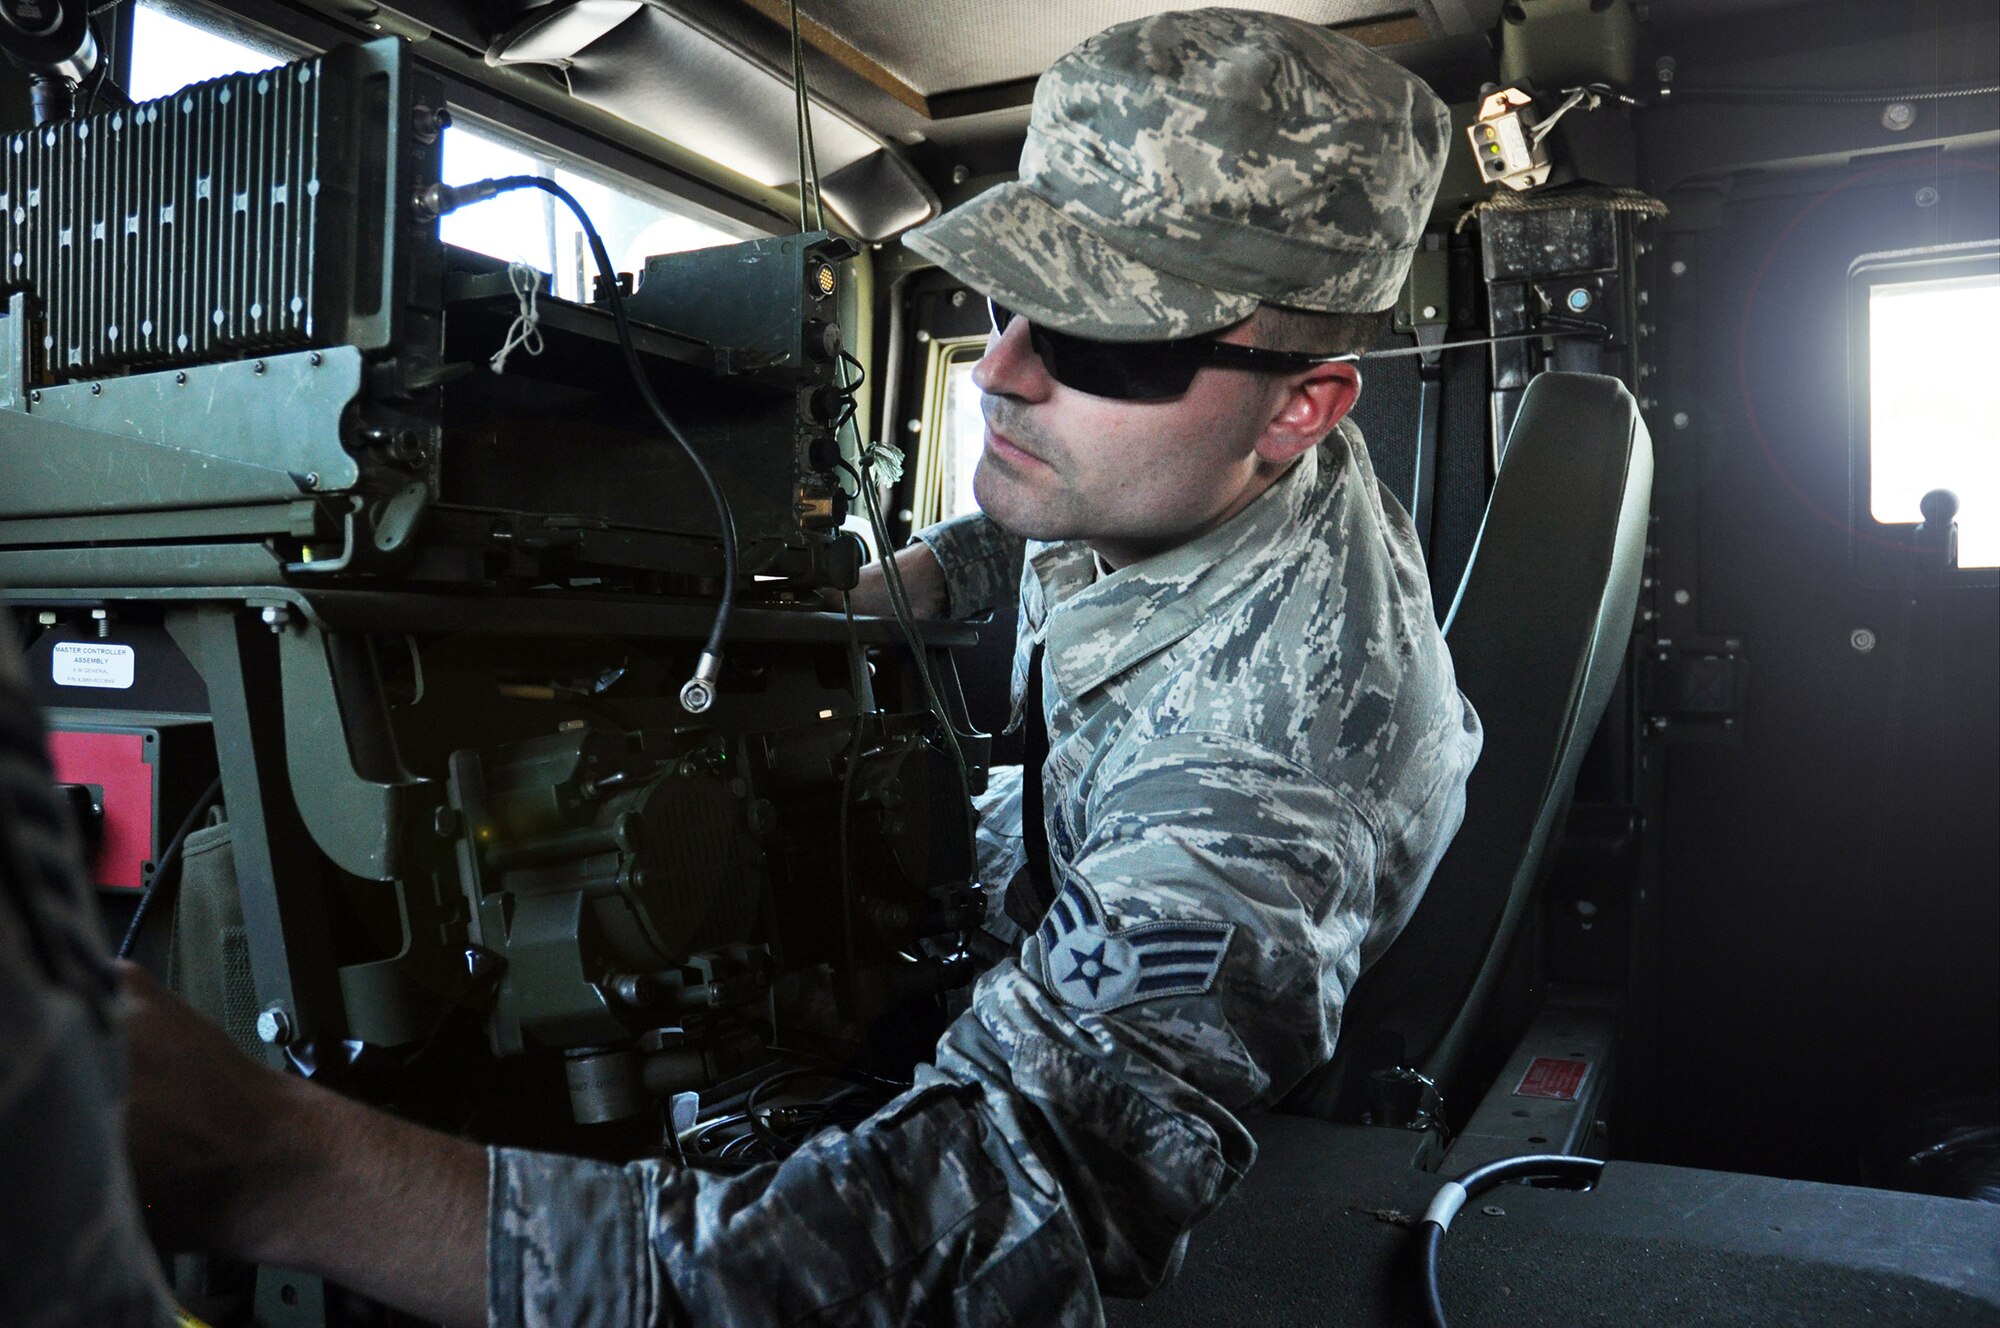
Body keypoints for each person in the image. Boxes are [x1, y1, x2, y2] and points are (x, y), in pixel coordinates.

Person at [121, 9, 1481, 1325]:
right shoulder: (1207, 461)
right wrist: (880, 587)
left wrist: (284, 1165)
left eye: (1098, 339)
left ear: (1305, 405)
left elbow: (951, 1238)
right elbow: (1056, 520)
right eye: (1012, 298)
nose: (1001, 372)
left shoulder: (1256, 796)